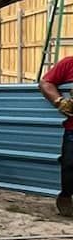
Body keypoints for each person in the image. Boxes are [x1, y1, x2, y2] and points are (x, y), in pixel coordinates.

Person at [38, 54, 73, 216]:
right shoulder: (69, 63)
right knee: (69, 166)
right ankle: (66, 196)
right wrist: (59, 101)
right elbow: (46, 82)